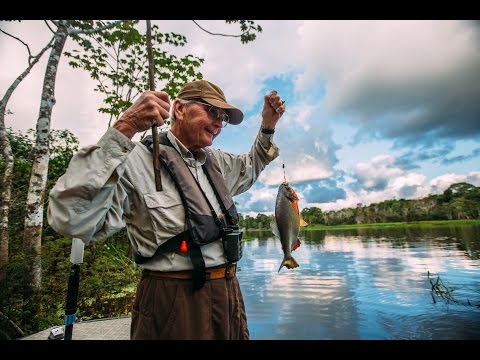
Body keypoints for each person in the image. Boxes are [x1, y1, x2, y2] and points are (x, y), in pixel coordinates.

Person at [47, 79, 285, 340]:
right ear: (180, 109)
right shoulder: (133, 159)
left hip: (228, 296)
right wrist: (125, 126)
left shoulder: (216, 162)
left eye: (223, 117)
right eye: (212, 111)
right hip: (173, 299)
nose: (219, 122)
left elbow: (252, 164)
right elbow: (71, 218)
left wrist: (268, 126)